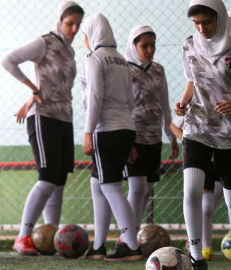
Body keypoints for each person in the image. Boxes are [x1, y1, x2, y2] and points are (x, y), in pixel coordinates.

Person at [176, 0, 231, 269]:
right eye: (196, 24)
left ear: (220, 18)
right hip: (197, 126)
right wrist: (183, 103)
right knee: (191, 190)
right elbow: (191, 80)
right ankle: (196, 257)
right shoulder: (189, 45)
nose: (202, 28)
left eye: (207, 22)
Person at [1, 1, 84, 255]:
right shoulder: (45, 42)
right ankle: (23, 236)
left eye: (78, 25)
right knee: (47, 177)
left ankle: (52, 237)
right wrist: (33, 90)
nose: (73, 29)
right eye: (69, 23)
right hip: (43, 116)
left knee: (59, 181)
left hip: (64, 118)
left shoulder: (69, 52)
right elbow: (9, 61)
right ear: (59, 21)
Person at [81, 13, 143, 261]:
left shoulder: (95, 58)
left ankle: (132, 245)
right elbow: (130, 100)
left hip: (105, 129)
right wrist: (131, 140)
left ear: (92, 35)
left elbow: (95, 97)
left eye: (84, 35)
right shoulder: (121, 60)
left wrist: (88, 132)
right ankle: (98, 246)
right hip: (126, 129)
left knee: (111, 186)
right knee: (98, 183)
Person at [123, 25, 178, 234]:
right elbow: (122, 106)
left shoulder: (158, 70)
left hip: (154, 138)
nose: (149, 50)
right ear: (133, 45)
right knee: (136, 189)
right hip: (134, 137)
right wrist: (127, 142)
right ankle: (128, 236)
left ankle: (135, 232)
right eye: (144, 46)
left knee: (146, 190)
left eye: (152, 45)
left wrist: (171, 136)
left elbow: (164, 105)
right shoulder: (125, 70)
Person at [170, 116, 224, 261]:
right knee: (206, 207)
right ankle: (203, 248)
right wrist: (188, 140)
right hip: (202, 158)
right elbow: (173, 125)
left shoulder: (229, 96)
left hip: (225, 151)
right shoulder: (193, 98)